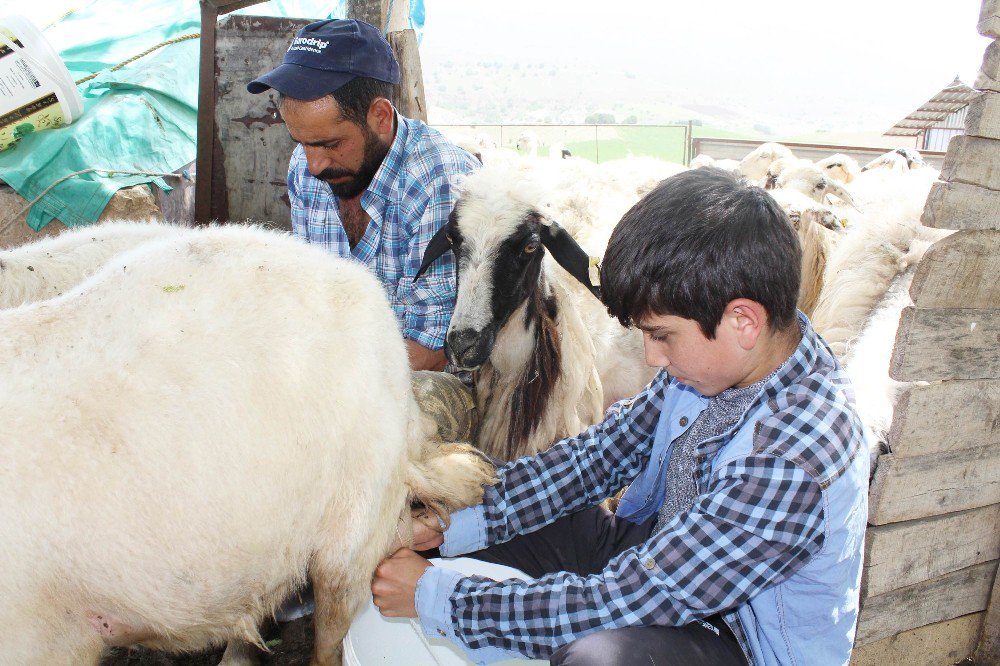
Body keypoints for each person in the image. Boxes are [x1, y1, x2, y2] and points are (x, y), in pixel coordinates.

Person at [371, 168, 870, 665]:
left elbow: (639, 598)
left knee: (601, 659)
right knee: (515, 525)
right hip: (669, 555)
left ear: (743, 320)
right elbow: (596, 458)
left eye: (662, 335)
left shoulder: (795, 455)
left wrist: (441, 600)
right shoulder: (715, 368)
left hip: (737, 639)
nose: (652, 358)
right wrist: (449, 521)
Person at [247, 18, 480, 372]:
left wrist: (323, 379)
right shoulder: (305, 167)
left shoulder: (440, 182)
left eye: (329, 144)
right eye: (303, 143)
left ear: (380, 117)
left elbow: (434, 347)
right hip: (340, 365)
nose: (313, 165)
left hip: (418, 376)